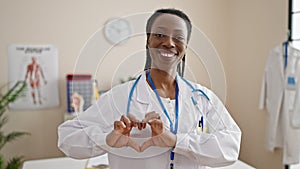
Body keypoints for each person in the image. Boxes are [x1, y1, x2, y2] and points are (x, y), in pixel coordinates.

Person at [58, 8, 241, 169]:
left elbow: (231, 146)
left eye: (178, 37)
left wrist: (179, 141)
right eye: (160, 35)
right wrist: (106, 140)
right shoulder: (119, 97)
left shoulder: (202, 97)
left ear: (185, 46)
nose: (169, 42)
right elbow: (67, 137)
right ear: (148, 41)